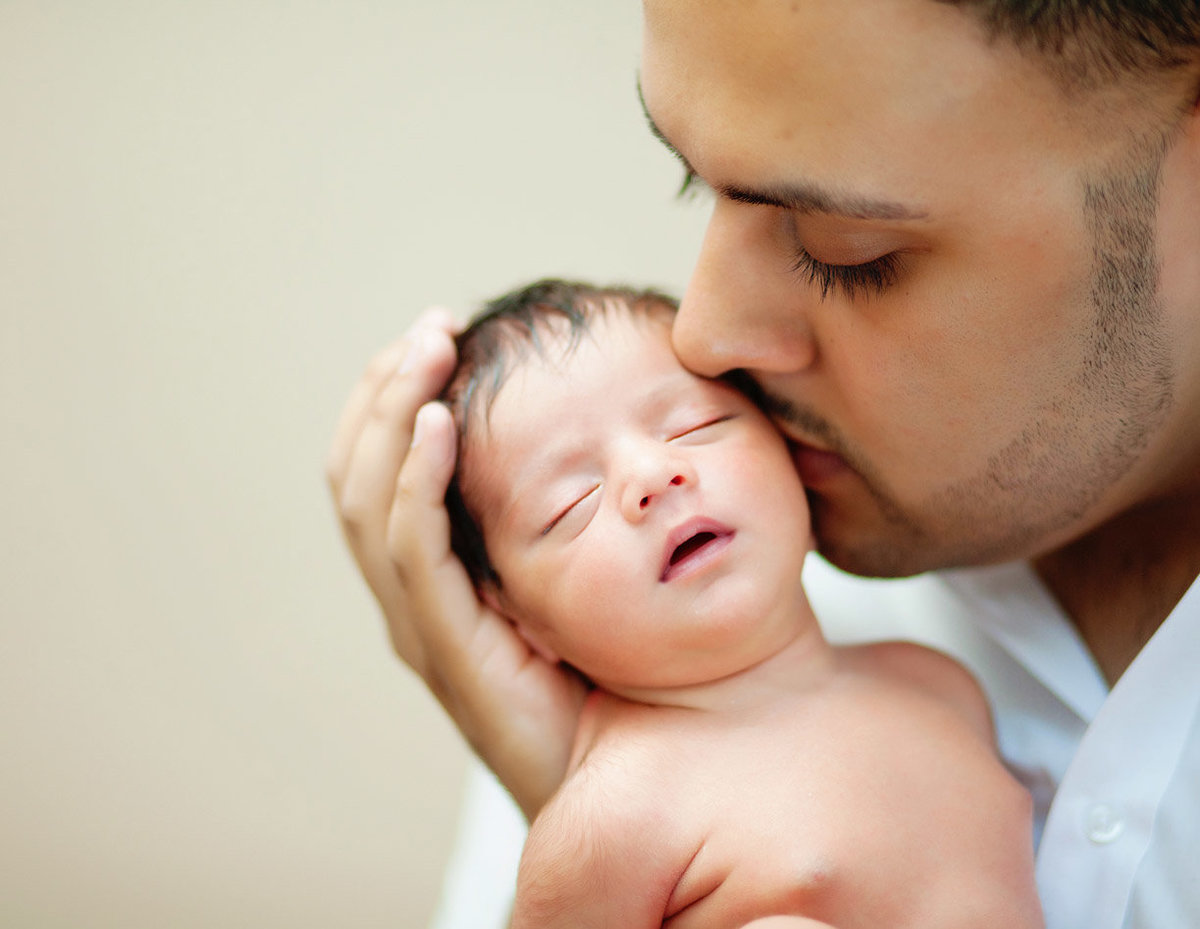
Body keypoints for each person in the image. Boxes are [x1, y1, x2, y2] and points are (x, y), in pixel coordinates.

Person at [325, 3, 1200, 927]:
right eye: (691, 186)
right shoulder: (653, 659)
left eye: (845, 249)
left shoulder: (915, 672)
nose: (702, 336)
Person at [441, 278, 1042, 929]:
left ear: (793, 457)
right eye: (571, 504)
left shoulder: (937, 684)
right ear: (522, 621)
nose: (651, 474)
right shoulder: (617, 816)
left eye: (695, 425)